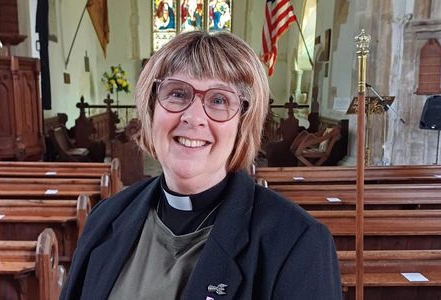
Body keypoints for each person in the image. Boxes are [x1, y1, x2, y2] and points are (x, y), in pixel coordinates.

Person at [61, 31, 341, 300]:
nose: (193, 118)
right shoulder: (105, 218)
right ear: (151, 109)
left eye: (219, 100)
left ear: (243, 122)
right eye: (177, 94)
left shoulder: (298, 243)